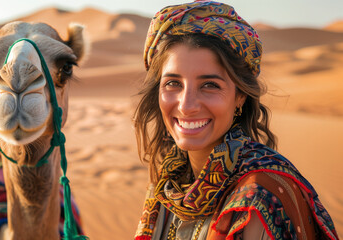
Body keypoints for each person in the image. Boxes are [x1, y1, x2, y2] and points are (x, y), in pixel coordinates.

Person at [133, 1, 339, 239]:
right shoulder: (169, 183)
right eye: (173, 83)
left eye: (209, 85)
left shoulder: (258, 196)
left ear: (240, 96)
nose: (187, 106)